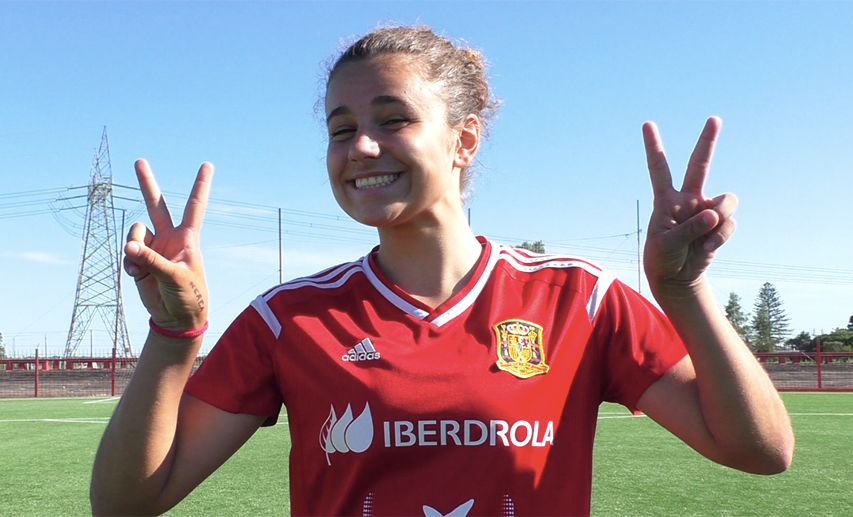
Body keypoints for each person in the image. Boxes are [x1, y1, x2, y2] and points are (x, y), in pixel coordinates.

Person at [90, 25, 794, 516]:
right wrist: (173, 334)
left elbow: (762, 451)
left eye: (392, 119)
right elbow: (126, 502)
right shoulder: (288, 320)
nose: (361, 146)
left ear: (463, 139)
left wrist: (684, 290)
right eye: (340, 128)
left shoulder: (580, 299)